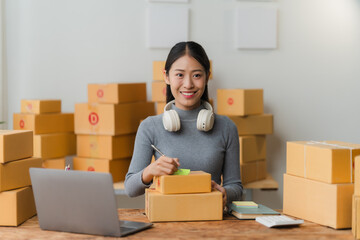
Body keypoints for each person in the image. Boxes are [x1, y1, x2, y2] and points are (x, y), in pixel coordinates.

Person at [124, 41, 242, 211]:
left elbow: (236, 187)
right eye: (179, 75)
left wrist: (225, 193)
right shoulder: (150, 127)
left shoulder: (226, 127)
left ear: (207, 76)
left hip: (211, 219)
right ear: (166, 76)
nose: (188, 84)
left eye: (197, 75)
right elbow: (130, 189)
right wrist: (150, 171)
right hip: (166, 220)